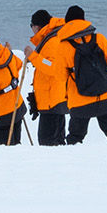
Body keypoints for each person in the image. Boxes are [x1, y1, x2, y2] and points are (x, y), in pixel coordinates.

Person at [53, 5, 107, 144]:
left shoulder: (63, 46)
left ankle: (74, 164)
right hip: (105, 95)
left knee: (75, 137)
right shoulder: (99, 38)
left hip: (79, 100)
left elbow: (60, 76)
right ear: (84, 20)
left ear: (66, 22)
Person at [27, 9, 70, 146]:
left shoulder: (52, 41)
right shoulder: (52, 37)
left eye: (31, 25)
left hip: (52, 99)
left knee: (47, 142)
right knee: (56, 140)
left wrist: (33, 56)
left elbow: (52, 66)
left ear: (37, 27)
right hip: (53, 97)